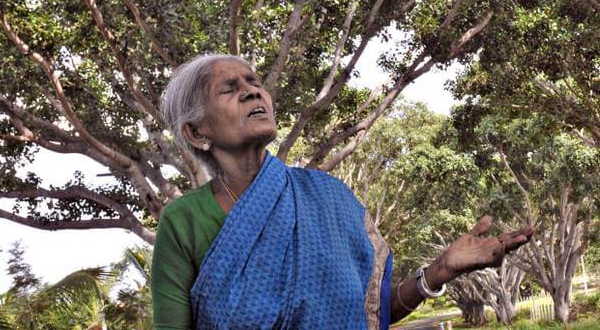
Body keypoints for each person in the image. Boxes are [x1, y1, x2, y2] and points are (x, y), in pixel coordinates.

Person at [152, 54, 533, 330]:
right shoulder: (184, 221)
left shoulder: (327, 198)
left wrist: (439, 271)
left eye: (254, 83)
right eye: (230, 89)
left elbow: (369, 313)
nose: (253, 93)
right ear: (197, 133)